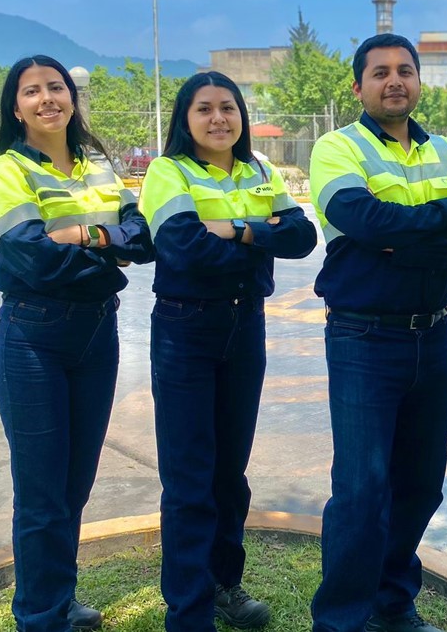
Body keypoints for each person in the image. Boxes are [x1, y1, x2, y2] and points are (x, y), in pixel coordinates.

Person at [308, 33, 447, 632]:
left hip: (435, 338)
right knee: (362, 490)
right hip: (364, 339)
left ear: (418, 81)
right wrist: (441, 218)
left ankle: (391, 605)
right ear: (358, 86)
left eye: (405, 71)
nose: (395, 81)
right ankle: (340, 620)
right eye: (381, 72)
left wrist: (402, 244)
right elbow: (359, 217)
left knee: (420, 485)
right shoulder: (338, 148)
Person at [0, 55, 154, 632]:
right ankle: (40, 617)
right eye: (32, 91)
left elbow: (142, 238)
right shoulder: (6, 171)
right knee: (42, 490)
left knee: (74, 484)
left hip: (97, 335)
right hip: (34, 339)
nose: (47, 98)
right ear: (15, 107)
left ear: (72, 99)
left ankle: (59, 599)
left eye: (56, 87)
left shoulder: (96, 165)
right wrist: (107, 249)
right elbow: (31, 258)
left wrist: (81, 234)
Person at [139, 71, 317, 632]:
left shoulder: (258, 170)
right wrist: (260, 234)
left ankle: (223, 585)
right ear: (185, 119)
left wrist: (234, 228)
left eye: (228, 107)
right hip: (186, 329)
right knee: (190, 477)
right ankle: (188, 612)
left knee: (230, 473)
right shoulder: (168, 172)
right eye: (205, 109)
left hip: (245, 328)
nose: (218, 118)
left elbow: (302, 236)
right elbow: (183, 248)